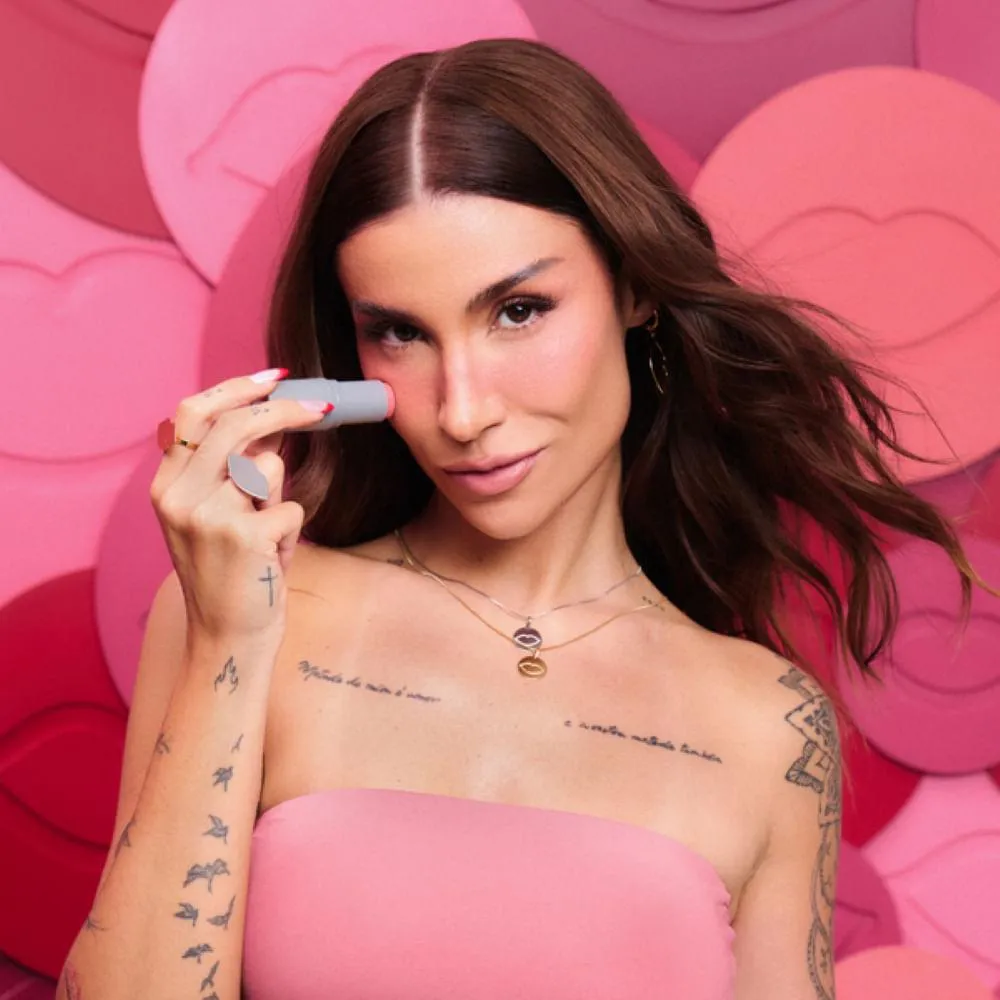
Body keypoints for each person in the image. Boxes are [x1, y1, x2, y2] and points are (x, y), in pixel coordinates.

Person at [57, 37, 990, 1000]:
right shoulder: (250, 615)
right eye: (401, 333)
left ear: (634, 286)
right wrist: (226, 645)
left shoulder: (769, 726)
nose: (463, 412)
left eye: (517, 311)